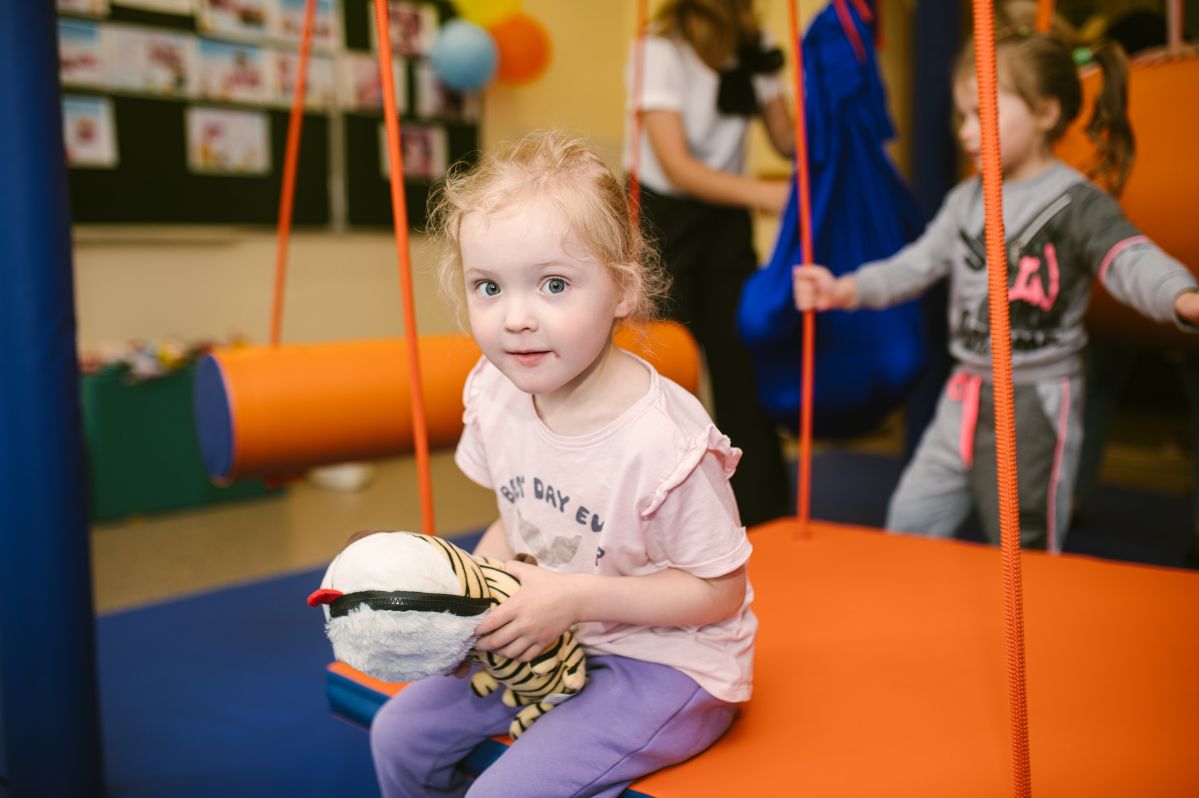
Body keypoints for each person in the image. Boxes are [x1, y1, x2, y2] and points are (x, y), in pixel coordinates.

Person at [370, 131, 756, 797]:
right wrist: (480, 599)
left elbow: (719, 592)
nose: (515, 318)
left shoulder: (663, 442)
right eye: (487, 287)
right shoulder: (495, 392)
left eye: (553, 284)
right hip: (555, 634)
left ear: (621, 291)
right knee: (397, 734)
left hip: (669, 660)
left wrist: (574, 597)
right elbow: (513, 524)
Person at [792, 29, 1199, 552]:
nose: (966, 132)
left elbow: (1129, 260)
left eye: (982, 114)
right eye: (963, 116)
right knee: (911, 519)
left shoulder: (1077, 203)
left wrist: (1181, 296)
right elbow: (917, 264)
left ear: (1046, 114)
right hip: (964, 394)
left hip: (1036, 401)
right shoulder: (967, 200)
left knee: (1023, 543)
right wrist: (845, 288)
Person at [626, 0, 793, 526]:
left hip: (725, 222)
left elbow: (790, 142)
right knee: (668, 364)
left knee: (742, 356)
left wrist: (826, 88)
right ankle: (656, 505)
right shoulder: (659, 50)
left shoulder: (756, 51)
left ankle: (764, 510)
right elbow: (675, 166)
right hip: (665, 217)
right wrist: (763, 194)